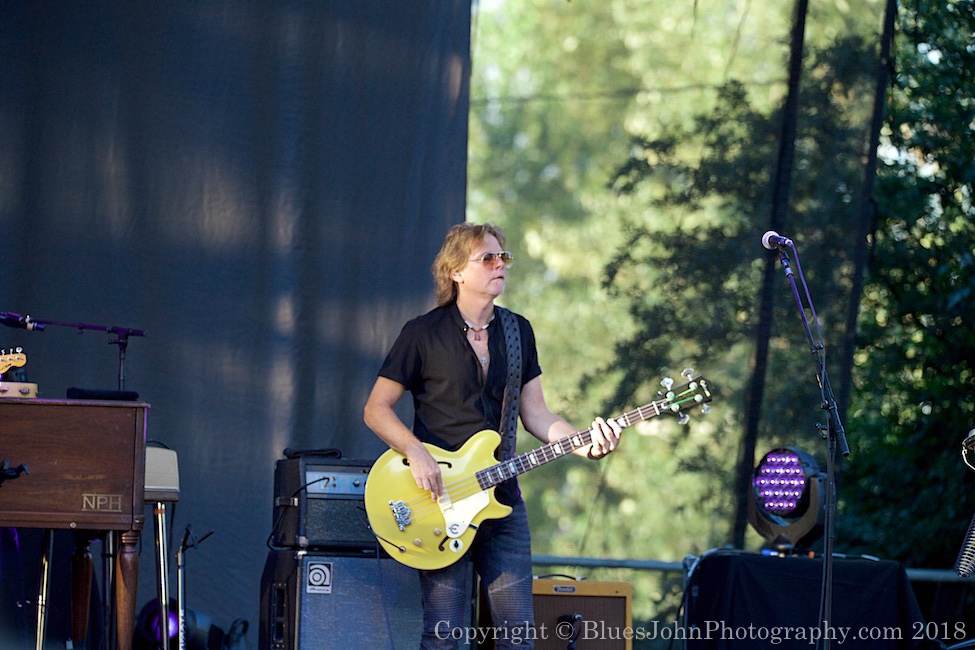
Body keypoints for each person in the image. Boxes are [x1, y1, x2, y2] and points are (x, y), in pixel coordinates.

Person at [363, 222, 622, 650]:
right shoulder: (422, 333)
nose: (500, 264)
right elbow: (376, 409)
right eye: (488, 257)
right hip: (439, 501)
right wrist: (415, 452)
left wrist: (584, 443)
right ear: (456, 272)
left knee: (518, 639)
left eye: (503, 257)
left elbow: (536, 413)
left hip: (503, 502)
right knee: (445, 637)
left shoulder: (518, 332)